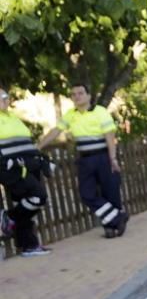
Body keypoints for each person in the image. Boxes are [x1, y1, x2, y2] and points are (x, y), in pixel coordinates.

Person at [38, 83, 128, 238]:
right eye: (73, 94)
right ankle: (118, 218)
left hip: (102, 156)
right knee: (86, 194)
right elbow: (56, 130)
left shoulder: (100, 112)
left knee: (110, 191)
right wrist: (39, 146)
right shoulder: (71, 114)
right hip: (85, 159)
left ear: (89, 96)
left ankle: (111, 227)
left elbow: (110, 136)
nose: (76, 97)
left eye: (80, 93)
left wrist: (112, 158)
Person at [0, 88, 51, 256]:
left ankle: (28, 245)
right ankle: (10, 217)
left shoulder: (13, 118)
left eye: (6, 97)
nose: (4, 100)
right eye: (1, 98)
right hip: (11, 169)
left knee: (25, 204)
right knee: (39, 196)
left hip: (27, 166)